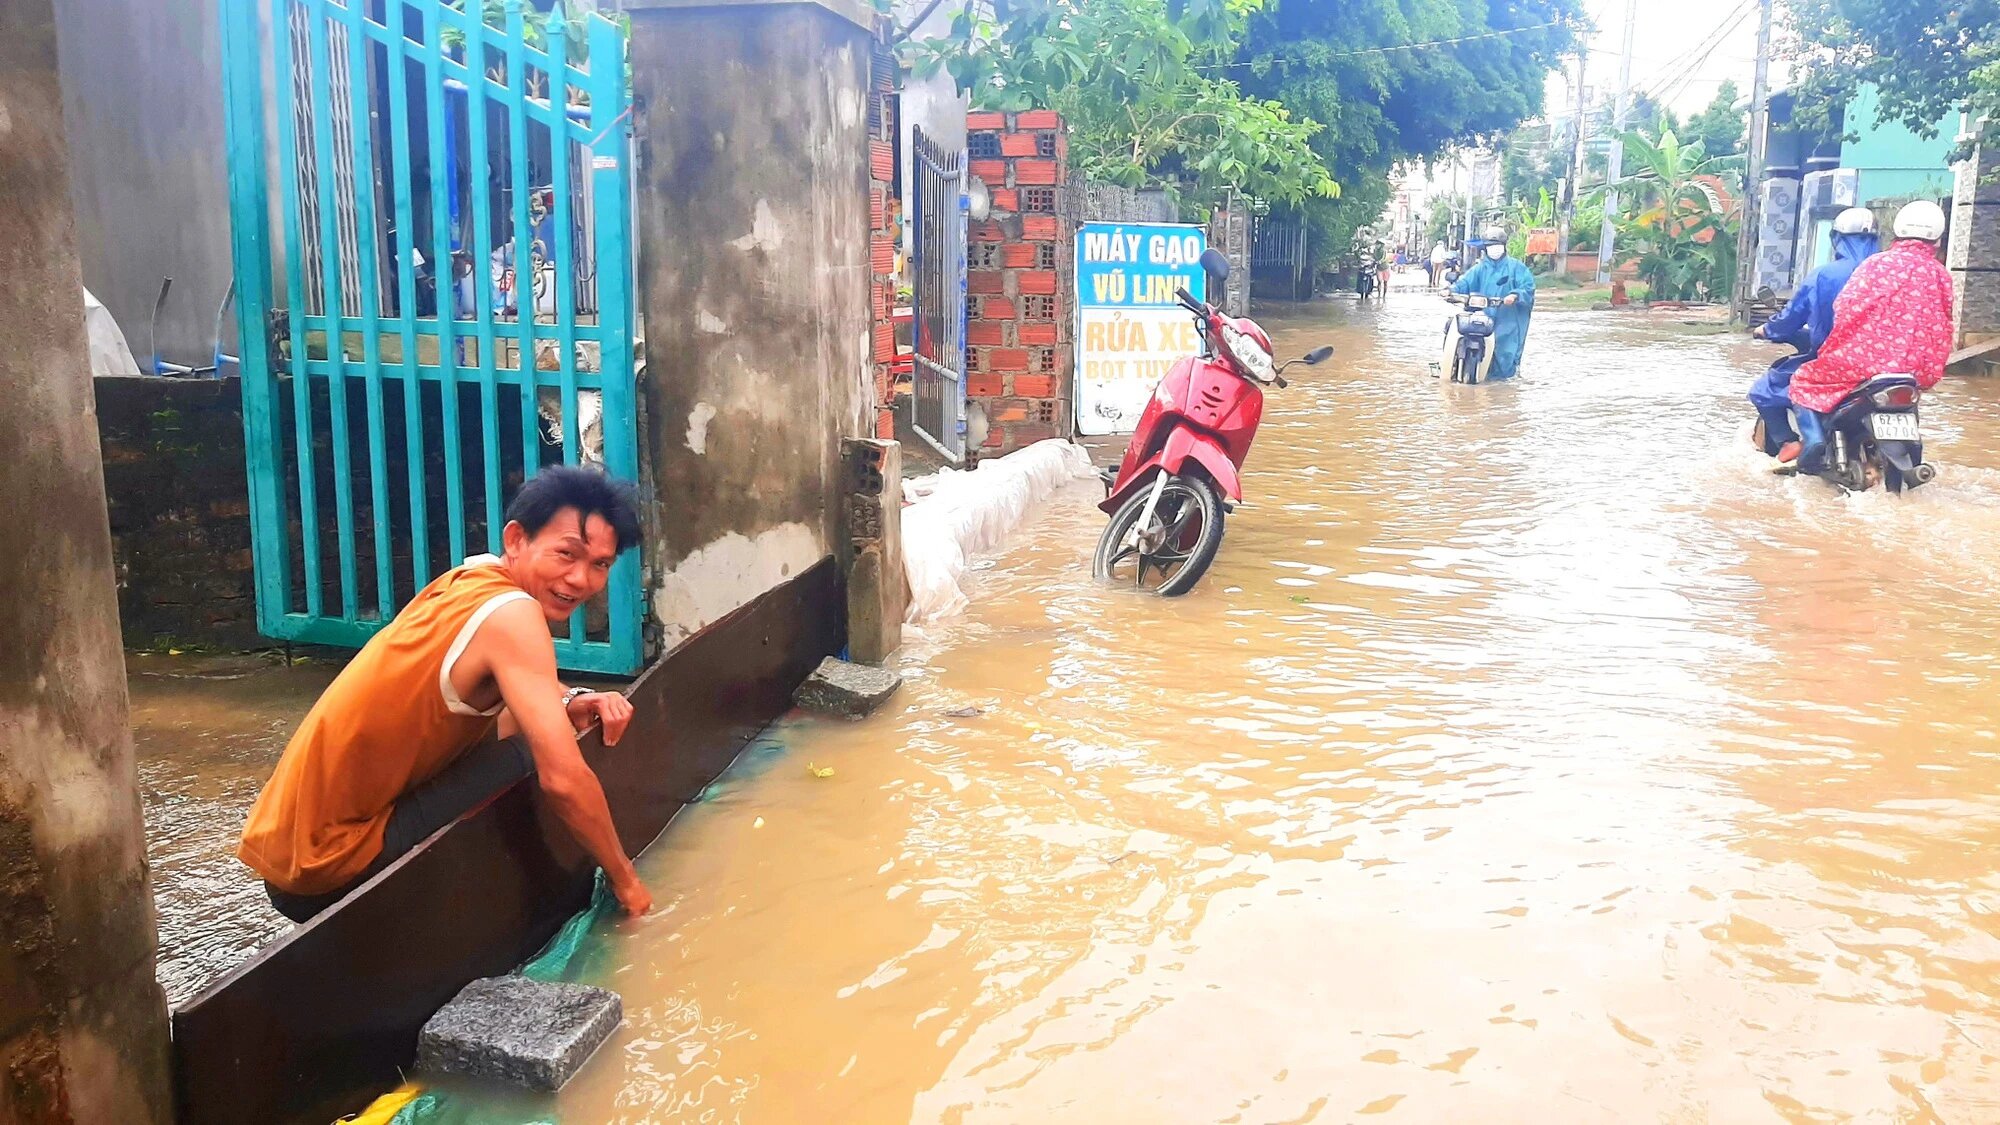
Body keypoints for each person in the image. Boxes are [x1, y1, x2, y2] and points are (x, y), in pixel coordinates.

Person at [239, 466, 654, 922]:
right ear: (516, 540)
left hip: (290, 851)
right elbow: (564, 780)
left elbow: (523, 679)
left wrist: (570, 697)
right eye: (566, 554)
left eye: (600, 564)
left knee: (541, 720)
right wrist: (627, 882)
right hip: (327, 868)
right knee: (544, 754)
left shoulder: (471, 578)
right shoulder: (515, 614)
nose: (580, 579)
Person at [1787, 200, 1956, 473]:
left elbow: (1845, 308)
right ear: (1937, 241)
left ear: (1896, 234)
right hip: (1910, 371)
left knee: (1803, 381)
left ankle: (1814, 444)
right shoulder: (1941, 275)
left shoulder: (1873, 264)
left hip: (1860, 365)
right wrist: (1929, 368)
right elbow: (1943, 326)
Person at [1747, 207, 1880, 464]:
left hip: (1834, 362)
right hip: (1884, 365)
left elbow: (1792, 318)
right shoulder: (1888, 275)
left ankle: (1791, 441)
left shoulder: (1823, 275)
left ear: (1836, 239)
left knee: (1764, 389)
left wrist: (1768, 330)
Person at [1448, 225, 1537, 380]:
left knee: (1505, 355)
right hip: (1484, 315)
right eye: (1490, 246)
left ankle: (1503, 387)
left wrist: (1515, 295)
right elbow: (1465, 283)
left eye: (1497, 246)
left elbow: (1528, 287)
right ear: (1485, 248)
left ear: (1503, 246)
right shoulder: (1480, 268)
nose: (1494, 249)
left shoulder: (1516, 267)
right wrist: (1451, 289)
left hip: (1508, 319)